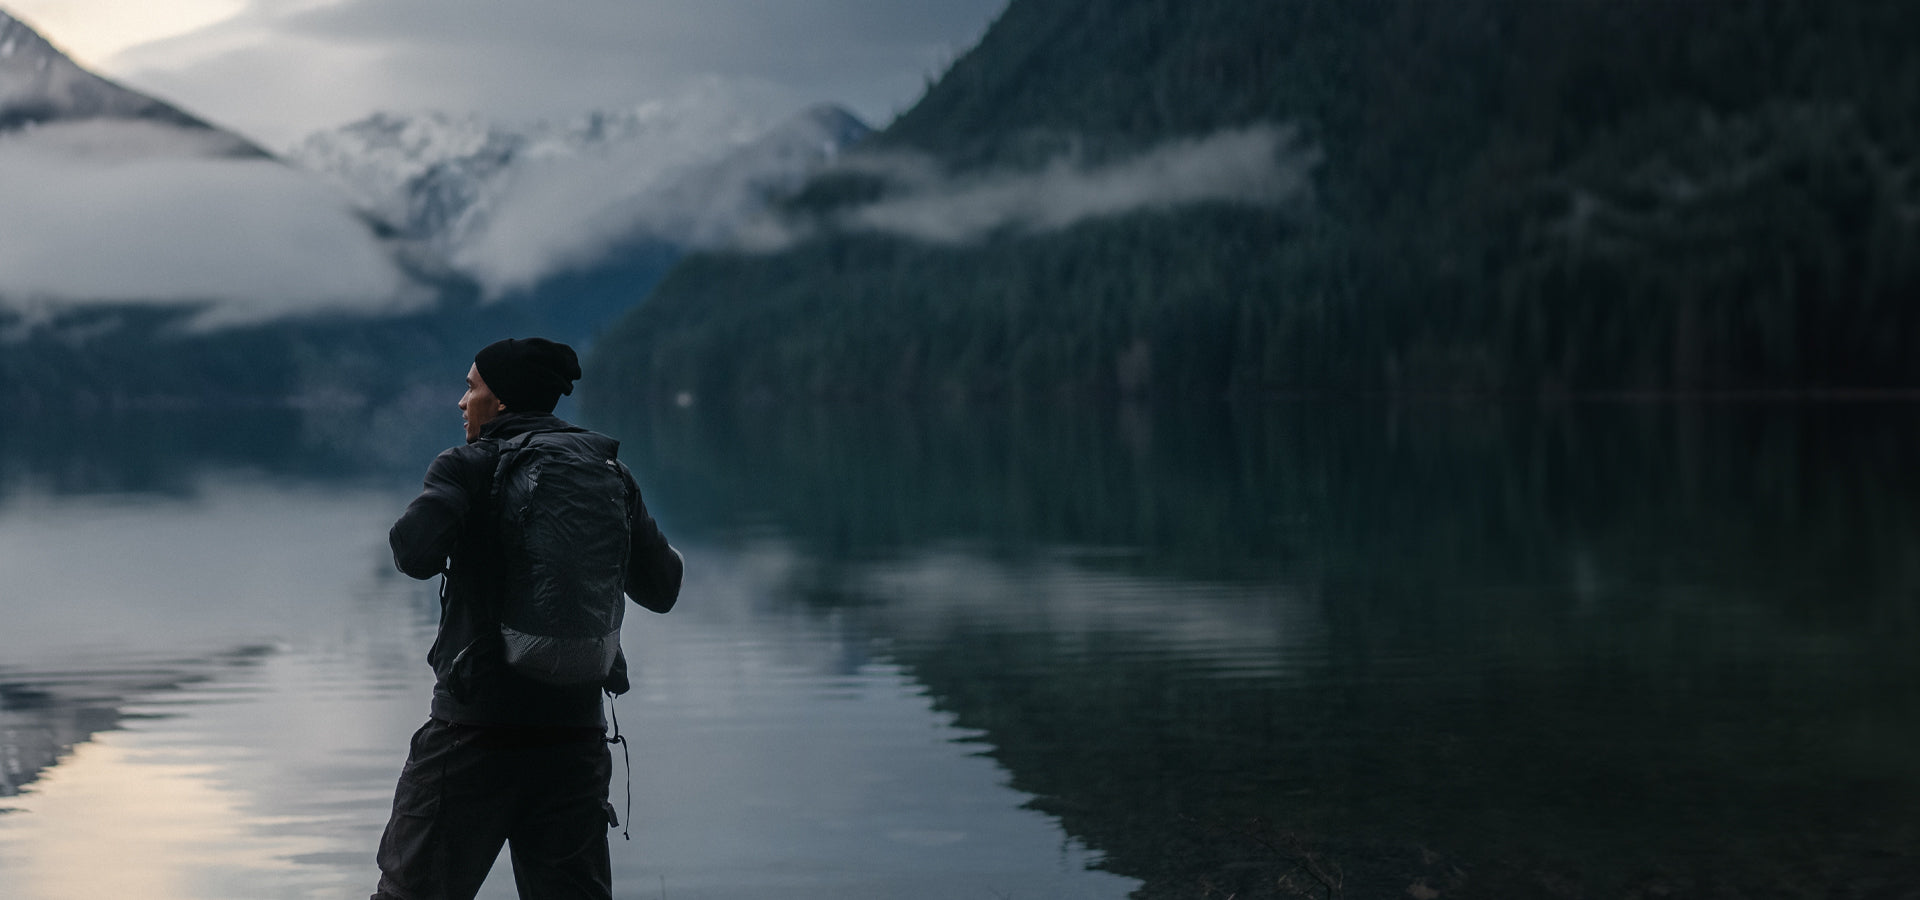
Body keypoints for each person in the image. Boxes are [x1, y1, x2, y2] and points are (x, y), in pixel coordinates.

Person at [373, 337, 682, 900]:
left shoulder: (467, 465)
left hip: (473, 736)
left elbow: (412, 554)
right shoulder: (610, 472)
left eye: (472, 387)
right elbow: (663, 589)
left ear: (504, 402)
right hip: (573, 742)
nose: (462, 402)